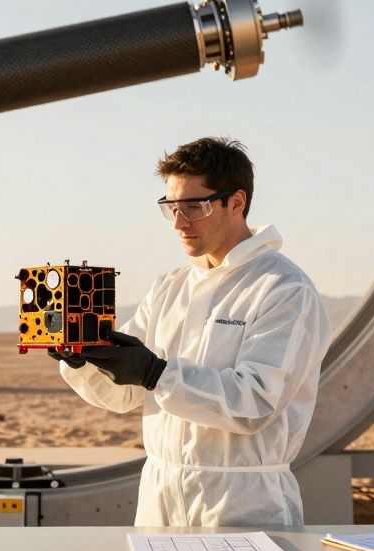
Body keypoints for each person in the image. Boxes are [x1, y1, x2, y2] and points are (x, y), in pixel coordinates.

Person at [51, 137, 333, 527]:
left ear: (236, 202)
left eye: (194, 207)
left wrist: (155, 373)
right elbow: (124, 395)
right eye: (171, 208)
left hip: (241, 505)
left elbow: (255, 402)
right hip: (159, 499)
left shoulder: (283, 289)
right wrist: (85, 360)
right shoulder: (170, 287)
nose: (180, 223)